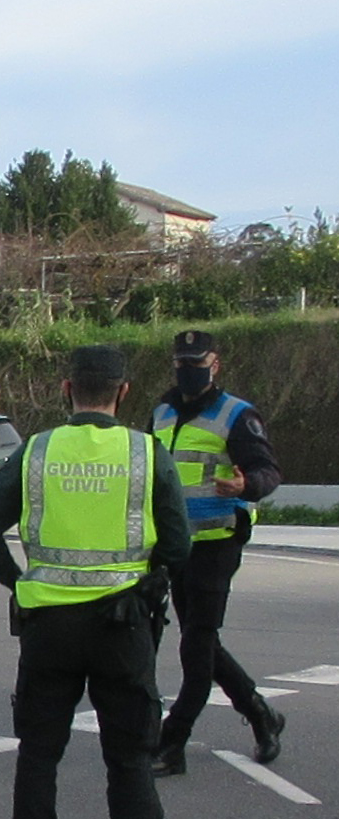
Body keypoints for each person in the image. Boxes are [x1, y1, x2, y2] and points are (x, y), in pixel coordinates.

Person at [0, 345, 190, 819]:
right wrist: (144, 584)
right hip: (123, 627)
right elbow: (179, 545)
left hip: (49, 627)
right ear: (124, 391)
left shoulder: (36, 451)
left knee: (39, 756)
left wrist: (20, 584)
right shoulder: (147, 452)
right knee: (131, 760)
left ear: (66, 390)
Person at [151, 329, 286, 776]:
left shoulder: (236, 414)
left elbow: (268, 470)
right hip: (176, 547)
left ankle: (173, 743)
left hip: (217, 543)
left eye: (198, 362)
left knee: (196, 649)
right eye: (182, 363)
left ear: (216, 364)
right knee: (202, 642)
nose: (189, 370)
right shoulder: (163, 412)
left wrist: (247, 485)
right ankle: (260, 712)